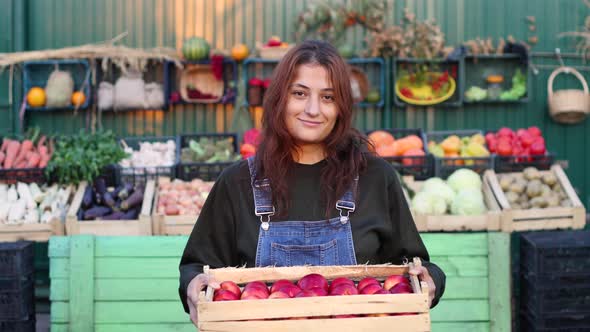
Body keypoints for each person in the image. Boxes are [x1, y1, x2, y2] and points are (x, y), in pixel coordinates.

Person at [179, 40, 445, 325]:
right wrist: (194, 286)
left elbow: (413, 268)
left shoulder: (374, 178)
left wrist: (432, 280)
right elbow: (197, 267)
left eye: (328, 97)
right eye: (300, 93)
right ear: (280, 98)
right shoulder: (238, 183)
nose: (313, 109)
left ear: (342, 106)